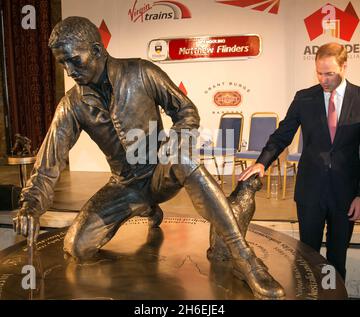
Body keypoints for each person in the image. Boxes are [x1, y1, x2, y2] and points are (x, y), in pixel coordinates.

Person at [12, 16, 284, 299]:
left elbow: (186, 111)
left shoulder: (141, 72)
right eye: (62, 64)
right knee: (76, 248)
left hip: (160, 171)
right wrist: (31, 205)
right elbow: (47, 165)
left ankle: (245, 258)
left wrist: (176, 140)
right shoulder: (72, 104)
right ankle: (144, 207)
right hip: (124, 186)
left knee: (182, 157)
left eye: (74, 60)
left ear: (96, 50)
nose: (69, 71)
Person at [239, 42, 360, 280]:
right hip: (310, 191)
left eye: (330, 73)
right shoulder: (305, 98)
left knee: (337, 260)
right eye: (319, 73)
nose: (323, 79)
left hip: (346, 195)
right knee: (308, 258)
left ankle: (334, 297)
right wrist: (263, 161)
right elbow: (283, 134)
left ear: (344, 67)